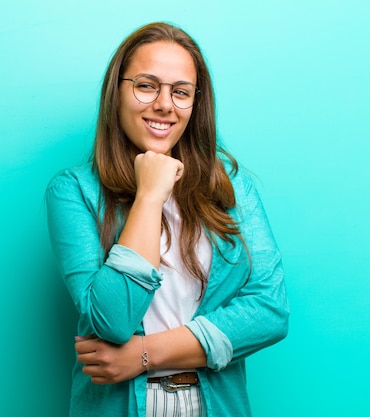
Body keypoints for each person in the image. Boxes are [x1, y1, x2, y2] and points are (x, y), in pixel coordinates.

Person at [45, 22, 289, 417]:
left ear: (196, 102)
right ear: (117, 93)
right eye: (146, 85)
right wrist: (150, 194)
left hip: (214, 404)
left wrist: (144, 354)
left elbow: (270, 311)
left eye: (180, 92)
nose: (164, 104)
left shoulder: (233, 188)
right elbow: (112, 320)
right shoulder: (73, 192)